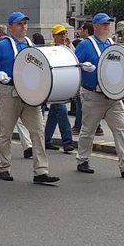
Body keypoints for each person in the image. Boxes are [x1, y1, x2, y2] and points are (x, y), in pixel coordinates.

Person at [73, 13, 124, 178]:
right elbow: (74, 65)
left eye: (108, 24)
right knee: (88, 129)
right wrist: (83, 66)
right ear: (95, 26)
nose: (107, 27)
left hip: (113, 96)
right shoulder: (85, 45)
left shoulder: (112, 44)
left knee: (121, 128)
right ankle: (82, 159)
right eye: (103, 24)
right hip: (93, 94)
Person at [0, 11, 58, 183]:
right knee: (5, 133)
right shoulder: (2, 45)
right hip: (9, 92)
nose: (23, 27)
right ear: (11, 26)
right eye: (19, 24)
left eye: (25, 24)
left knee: (38, 131)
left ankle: (41, 171)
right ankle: (4, 167)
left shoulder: (30, 44)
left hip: (29, 93)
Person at [43, 24, 74, 153]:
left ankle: (46, 139)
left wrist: (70, 45)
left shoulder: (67, 48)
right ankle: (67, 141)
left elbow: (75, 59)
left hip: (64, 84)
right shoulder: (51, 50)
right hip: (54, 85)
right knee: (61, 111)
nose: (63, 36)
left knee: (54, 113)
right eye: (60, 34)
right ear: (54, 36)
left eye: (65, 33)